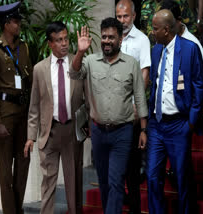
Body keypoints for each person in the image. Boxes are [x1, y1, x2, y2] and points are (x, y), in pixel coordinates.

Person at [69, 18, 148, 214]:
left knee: (116, 181)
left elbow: (139, 96)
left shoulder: (131, 64)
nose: (107, 41)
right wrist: (80, 51)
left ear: (120, 39)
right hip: (98, 132)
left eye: (111, 37)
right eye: (104, 37)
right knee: (104, 183)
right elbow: (74, 73)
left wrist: (144, 129)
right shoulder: (90, 61)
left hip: (123, 132)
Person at [146, 9, 203, 214]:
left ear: (167, 29)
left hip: (179, 124)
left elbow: (199, 85)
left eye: (155, 29)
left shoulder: (189, 49)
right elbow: (154, 84)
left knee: (182, 177)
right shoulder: (156, 50)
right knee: (152, 176)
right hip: (157, 124)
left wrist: (191, 121)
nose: (152, 32)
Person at [24, 21, 85, 214]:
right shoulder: (39, 69)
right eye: (59, 40)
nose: (64, 43)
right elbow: (34, 106)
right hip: (49, 133)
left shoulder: (78, 64)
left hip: (71, 132)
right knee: (48, 183)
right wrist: (30, 136)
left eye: (66, 39)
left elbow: (87, 98)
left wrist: (87, 125)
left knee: (73, 183)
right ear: (50, 43)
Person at [0, 2, 32, 214]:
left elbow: (29, 82)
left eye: (18, 20)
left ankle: (17, 208)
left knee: (23, 166)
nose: (18, 24)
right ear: (6, 24)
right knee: (6, 171)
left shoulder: (24, 48)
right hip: (6, 116)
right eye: (15, 21)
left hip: (23, 114)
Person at [115, 0, 151, 213]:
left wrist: (137, 105)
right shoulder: (112, 37)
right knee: (116, 171)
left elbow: (145, 73)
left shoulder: (142, 40)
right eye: (119, 17)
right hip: (113, 114)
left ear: (134, 16)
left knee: (132, 169)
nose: (122, 21)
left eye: (125, 17)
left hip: (133, 114)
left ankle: (135, 209)